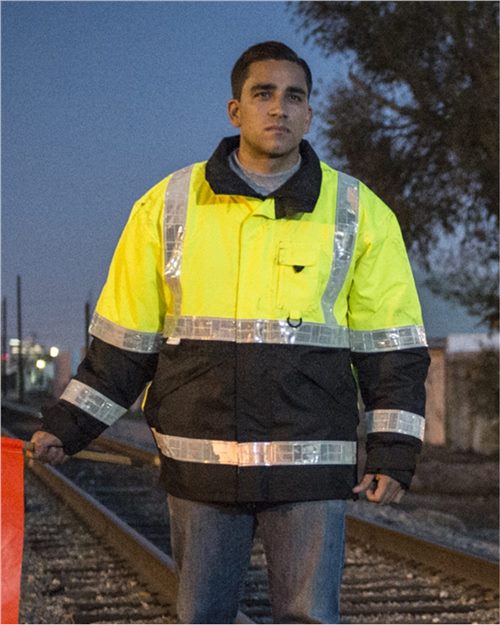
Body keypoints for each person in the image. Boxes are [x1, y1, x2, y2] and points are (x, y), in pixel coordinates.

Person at [31, 41, 430, 624]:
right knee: (204, 617)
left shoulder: (359, 212)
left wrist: (393, 454)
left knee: (309, 616)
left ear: (310, 113)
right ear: (235, 110)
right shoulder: (167, 206)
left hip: (310, 464)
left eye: (294, 96)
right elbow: (124, 345)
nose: (279, 108)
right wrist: (67, 428)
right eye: (263, 94)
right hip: (202, 464)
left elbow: (391, 349)